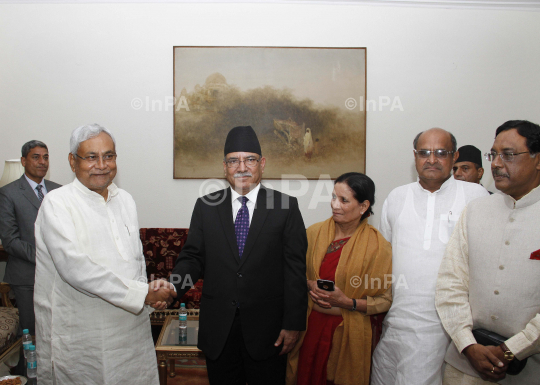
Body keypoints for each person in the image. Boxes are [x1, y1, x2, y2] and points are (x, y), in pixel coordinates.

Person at [34, 124, 175, 384]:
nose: (102, 164)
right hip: (82, 338)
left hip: (130, 333)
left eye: (109, 156)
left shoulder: (126, 200)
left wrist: (147, 292)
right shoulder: (57, 203)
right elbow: (76, 269)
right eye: (91, 157)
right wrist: (141, 294)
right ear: (72, 162)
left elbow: (134, 263)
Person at [167, 126, 308, 385]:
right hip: (219, 328)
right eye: (233, 161)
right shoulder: (206, 206)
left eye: (250, 159)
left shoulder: (286, 207)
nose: (241, 167)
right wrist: (173, 287)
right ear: (224, 167)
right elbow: (193, 258)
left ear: (262, 164)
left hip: (268, 330)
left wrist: (294, 323)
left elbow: (295, 270)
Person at [371, 128, 489, 385]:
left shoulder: (476, 198)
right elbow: (385, 257)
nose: (432, 159)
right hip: (396, 320)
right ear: (414, 156)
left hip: (445, 327)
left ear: (454, 156)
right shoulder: (397, 197)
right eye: (424, 153)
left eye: (441, 153)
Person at [436, 120, 540, 384]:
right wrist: (468, 345)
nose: (495, 163)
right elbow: (450, 282)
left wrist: (511, 350)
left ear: (538, 160)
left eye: (508, 155)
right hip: (464, 363)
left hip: (528, 369)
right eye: (493, 154)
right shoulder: (476, 210)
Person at [286, 172, 392, 385]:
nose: (335, 205)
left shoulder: (377, 246)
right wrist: (308, 284)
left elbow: (384, 299)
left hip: (347, 334)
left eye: (344, 200)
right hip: (309, 328)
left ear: (363, 206)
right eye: (334, 197)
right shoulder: (313, 234)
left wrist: (347, 302)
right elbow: (291, 276)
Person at [0, 140, 61, 336]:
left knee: (57, 331)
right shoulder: (8, 193)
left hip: (59, 275)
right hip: (26, 276)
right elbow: (9, 240)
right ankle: (24, 368)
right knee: (31, 333)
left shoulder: (59, 191)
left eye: (45, 157)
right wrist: (44, 257)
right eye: (36, 157)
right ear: (23, 161)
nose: (42, 162)